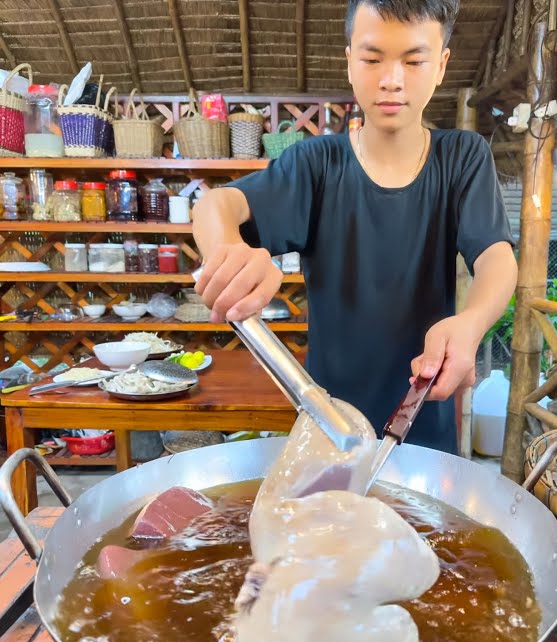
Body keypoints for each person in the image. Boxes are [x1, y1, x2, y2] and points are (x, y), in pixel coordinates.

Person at [192, 0, 518, 453]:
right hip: (329, 429)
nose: (392, 80)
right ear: (349, 62)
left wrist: (472, 322)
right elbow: (215, 204)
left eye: (414, 61)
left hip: (423, 422)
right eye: (372, 59)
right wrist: (228, 247)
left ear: (441, 65)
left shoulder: (463, 157)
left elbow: (496, 257)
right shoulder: (315, 164)